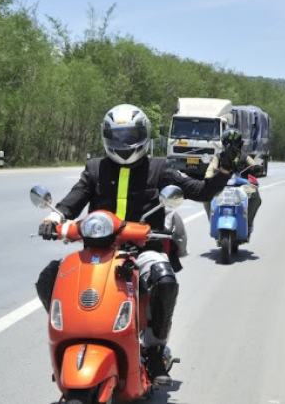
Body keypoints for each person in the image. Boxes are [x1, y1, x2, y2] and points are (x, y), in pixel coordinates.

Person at [35, 104, 235, 385]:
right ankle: (69, 336)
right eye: (117, 136)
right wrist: (53, 217)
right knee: (49, 277)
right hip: (97, 252)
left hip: (143, 250)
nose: (124, 143)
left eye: (130, 136)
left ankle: (154, 349)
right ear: (107, 137)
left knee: (165, 281)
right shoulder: (95, 169)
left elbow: (201, 190)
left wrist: (225, 166)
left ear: (143, 136)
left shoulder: (160, 168)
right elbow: (72, 200)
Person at [202, 128, 262, 235]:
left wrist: (256, 168)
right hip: (221, 184)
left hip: (242, 186)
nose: (231, 145)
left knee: (255, 194)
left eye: (234, 143)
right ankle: (212, 220)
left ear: (239, 144)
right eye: (228, 143)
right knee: (205, 195)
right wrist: (208, 177)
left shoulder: (245, 157)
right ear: (224, 143)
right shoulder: (219, 157)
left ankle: (248, 222)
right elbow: (211, 167)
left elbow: (253, 164)